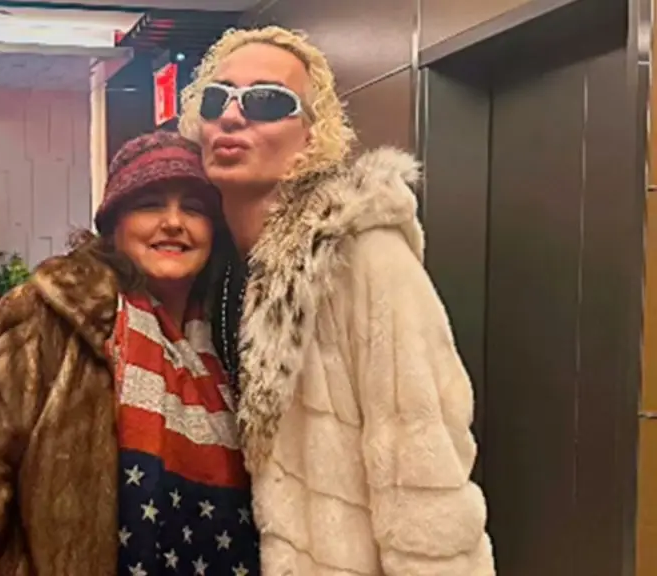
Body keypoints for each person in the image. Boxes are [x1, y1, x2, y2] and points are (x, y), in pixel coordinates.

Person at [179, 26, 496, 575]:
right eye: (216, 99)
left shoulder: (363, 255)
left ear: (311, 134)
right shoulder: (208, 265)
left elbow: (422, 468)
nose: (231, 117)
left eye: (266, 102)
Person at [0, 130, 261, 576]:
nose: (173, 222)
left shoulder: (232, 342)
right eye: (150, 204)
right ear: (114, 227)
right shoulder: (47, 318)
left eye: (194, 208)